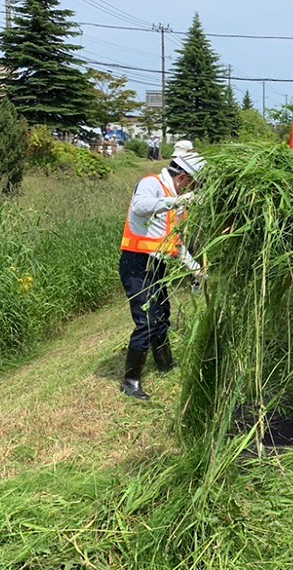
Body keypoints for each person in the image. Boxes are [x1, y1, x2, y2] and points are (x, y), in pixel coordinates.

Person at [119, 151, 205, 401]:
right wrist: (178, 202)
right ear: (183, 178)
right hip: (136, 264)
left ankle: (165, 363)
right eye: (193, 184)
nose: (193, 189)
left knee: (162, 315)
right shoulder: (151, 184)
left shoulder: (174, 199)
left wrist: (197, 270)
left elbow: (175, 245)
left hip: (156, 267)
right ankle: (130, 381)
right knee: (145, 321)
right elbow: (140, 207)